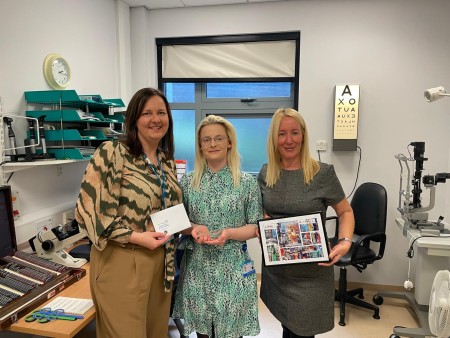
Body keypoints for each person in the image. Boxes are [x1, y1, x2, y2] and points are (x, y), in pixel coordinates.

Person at [75, 87, 182, 338]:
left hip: (161, 263)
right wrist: (136, 237)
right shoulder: (113, 152)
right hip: (122, 259)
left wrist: (190, 227)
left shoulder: (165, 160)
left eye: (161, 113)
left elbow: (169, 209)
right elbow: (89, 211)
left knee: (156, 333)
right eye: (147, 113)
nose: (156, 119)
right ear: (133, 119)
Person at [257, 108, 355, 338]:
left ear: (304, 134)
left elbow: (345, 212)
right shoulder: (266, 173)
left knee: (302, 331)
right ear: (274, 138)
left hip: (311, 276)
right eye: (282, 134)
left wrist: (345, 242)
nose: (288, 140)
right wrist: (263, 218)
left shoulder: (322, 174)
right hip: (277, 274)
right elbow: (260, 209)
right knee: (287, 329)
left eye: (294, 133)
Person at [172, 115, 262, 338]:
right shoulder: (189, 183)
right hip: (198, 268)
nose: (213, 144)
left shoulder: (246, 183)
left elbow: (255, 226)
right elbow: (177, 223)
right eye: (206, 140)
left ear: (229, 142)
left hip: (233, 269)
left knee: (232, 333)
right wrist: (193, 228)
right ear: (200, 146)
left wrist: (229, 233)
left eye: (219, 138)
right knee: (203, 333)